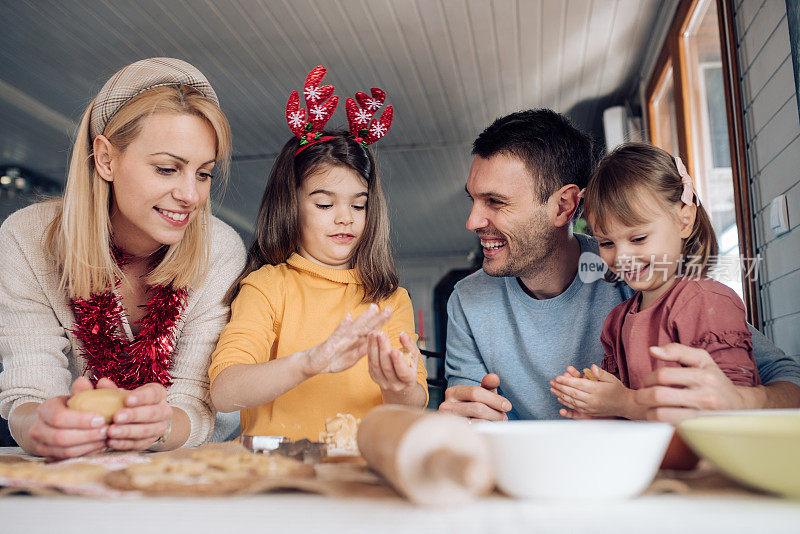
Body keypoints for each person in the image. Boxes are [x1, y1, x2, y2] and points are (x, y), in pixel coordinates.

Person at [439, 109, 800, 422]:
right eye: (473, 199)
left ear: (565, 206)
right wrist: (463, 418)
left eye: (495, 202)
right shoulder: (467, 301)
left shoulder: (648, 277)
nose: (472, 221)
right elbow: (470, 425)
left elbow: (788, 382)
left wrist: (740, 400)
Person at [0, 58, 246, 459]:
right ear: (106, 158)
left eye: (204, 173)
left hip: (180, 483)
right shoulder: (26, 238)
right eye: (168, 169)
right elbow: (29, 390)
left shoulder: (219, 250)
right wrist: (42, 426)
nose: (191, 195)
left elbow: (198, 403)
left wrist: (158, 427)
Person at [209, 66, 427, 441]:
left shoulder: (389, 300)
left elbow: (412, 403)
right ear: (290, 205)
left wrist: (399, 386)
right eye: (325, 204)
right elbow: (225, 391)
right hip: (278, 471)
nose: (345, 218)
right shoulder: (267, 287)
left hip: (362, 469)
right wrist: (310, 362)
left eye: (358, 206)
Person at [550, 143, 759, 420]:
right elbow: (627, 410)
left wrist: (624, 402)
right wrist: (596, 401)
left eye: (638, 238)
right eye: (607, 242)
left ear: (684, 221)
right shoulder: (617, 321)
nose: (622, 256)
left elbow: (728, 409)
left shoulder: (706, 301)